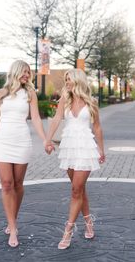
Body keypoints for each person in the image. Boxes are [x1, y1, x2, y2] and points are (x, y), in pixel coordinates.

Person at [0, 60, 53, 248]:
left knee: (18, 184)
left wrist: (45, 140)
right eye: (24, 72)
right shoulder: (0, 94)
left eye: (28, 72)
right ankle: (13, 227)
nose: (27, 75)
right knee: (6, 184)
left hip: (22, 141)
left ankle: (12, 219)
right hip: (2, 141)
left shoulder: (30, 94)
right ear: (15, 72)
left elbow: (36, 119)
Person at [45, 68, 106, 250]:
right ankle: (88, 222)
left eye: (69, 79)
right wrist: (47, 140)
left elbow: (97, 128)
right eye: (66, 80)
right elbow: (56, 119)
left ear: (78, 80)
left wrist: (101, 150)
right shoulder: (65, 99)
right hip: (69, 147)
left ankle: (68, 230)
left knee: (75, 189)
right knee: (79, 190)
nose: (67, 83)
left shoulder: (92, 102)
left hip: (86, 148)